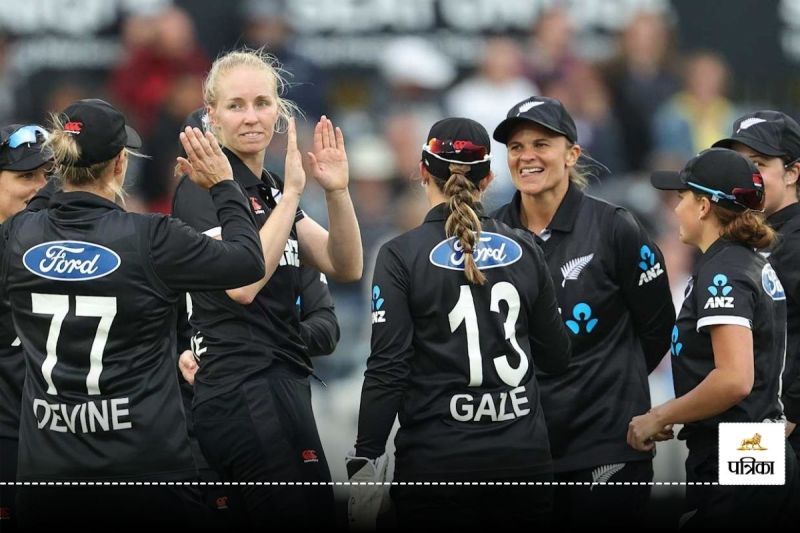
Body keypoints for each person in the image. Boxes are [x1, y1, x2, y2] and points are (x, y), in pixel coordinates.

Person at [0, 98, 265, 527]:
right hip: (145, 471)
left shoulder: (18, 235)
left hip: (47, 475)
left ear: (60, 163)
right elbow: (248, 261)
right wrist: (223, 184)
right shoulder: (154, 238)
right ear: (121, 163)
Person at [170, 49, 362, 528]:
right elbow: (242, 284)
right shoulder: (203, 185)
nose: (251, 116)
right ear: (211, 115)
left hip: (279, 388)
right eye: (235, 105)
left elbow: (345, 263)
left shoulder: (271, 189)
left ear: (279, 110)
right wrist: (296, 193)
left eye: (261, 102)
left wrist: (336, 192)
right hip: (244, 389)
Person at [348, 117, 571, 529]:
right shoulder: (526, 247)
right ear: (487, 179)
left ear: (421, 171)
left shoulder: (400, 255)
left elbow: (387, 369)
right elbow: (557, 357)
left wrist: (365, 457)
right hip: (523, 464)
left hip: (438, 465)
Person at [491, 96, 675, 527]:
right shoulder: (489, 234)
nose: (527, 156)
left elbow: (658, 326)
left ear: (572, 154)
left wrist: (608, 380)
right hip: (520, 448)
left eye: (541, 144)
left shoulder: (616, 227)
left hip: (605, 443)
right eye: (516, 148)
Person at [629, 147, 799, 528]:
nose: (675, 209)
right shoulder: (745, 261)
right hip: (756, 443)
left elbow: (734, 379)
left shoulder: (725, 272)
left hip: (739, 446)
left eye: (682, 198)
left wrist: (660, 415)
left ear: (704, 206)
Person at [712, 111, 800, 457]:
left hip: (779, 427)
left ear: (793, 172)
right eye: (740, 164)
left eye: (759, 164)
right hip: (752, 419)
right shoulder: (749, 237)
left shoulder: (794, 241)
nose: (749, 177)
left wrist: (792, 410)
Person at [0, 123, 51, 531]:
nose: (39, 186)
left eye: (46, 175)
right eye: (24, 177)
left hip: (55, 437)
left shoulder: (57, 249)